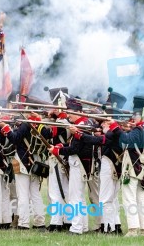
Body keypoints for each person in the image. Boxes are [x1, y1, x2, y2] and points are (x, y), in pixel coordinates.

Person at [49, 98, 105, 235]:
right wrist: (62, 146)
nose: (69, 115)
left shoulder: (82, 126)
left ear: (79, 112)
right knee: (79, 197)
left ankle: (76, 228)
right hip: (81, 163)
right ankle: (83, 226)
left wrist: (58, 151)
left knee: (75, 197)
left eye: (71, 112)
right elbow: (74, 145)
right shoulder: (85, 123)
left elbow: (75, 149)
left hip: (79, 163)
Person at [108, 96, 144, 237]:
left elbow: (127, 140)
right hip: (141, 167)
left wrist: (116, 128)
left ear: (141, 114)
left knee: (129, 198)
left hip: (132, 167)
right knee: (140, 198)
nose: (133, 117)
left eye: (135, 115)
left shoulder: (139, 130)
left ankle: (133, 229)